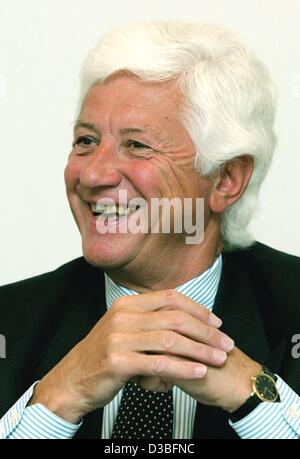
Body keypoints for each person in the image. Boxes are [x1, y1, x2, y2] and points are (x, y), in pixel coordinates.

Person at [0, 20, 299, 440]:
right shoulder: (9, 321)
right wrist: (56, 399)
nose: (93, 174)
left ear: (226, 179)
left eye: (137, 145)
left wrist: (253, 395)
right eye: (85, 140)